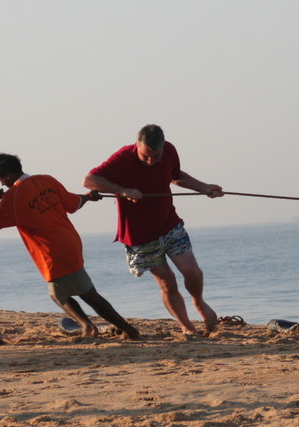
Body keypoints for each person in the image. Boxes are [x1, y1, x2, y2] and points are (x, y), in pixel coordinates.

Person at [83, 124, 223, 336]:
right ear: (137, 145)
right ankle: (187, 327)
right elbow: (90, 180)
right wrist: (122, 190)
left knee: (192, 271)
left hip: (169, 224)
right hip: (140, 235)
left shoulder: (170, 151)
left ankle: (199, 302)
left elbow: (176, 176)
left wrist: (204, 187)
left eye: (156, 156)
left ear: (163, 148)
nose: (151, 161)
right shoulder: (122, 157)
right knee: (167, 282)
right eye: (146, 156)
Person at [0, 152, 140, 340]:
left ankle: (118, 329)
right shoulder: (47, 180)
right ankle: (92, 326)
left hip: (52, 252)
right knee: (62, 293)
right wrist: (88, 197)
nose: (1, 184)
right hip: (70, 242)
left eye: (0, 179)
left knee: (83, 295)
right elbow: (73, 204)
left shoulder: (13, 197)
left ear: (7, 176)